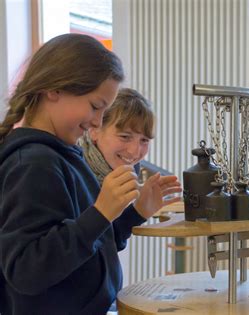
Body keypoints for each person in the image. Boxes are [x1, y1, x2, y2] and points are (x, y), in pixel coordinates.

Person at [0, 34, 181, 315]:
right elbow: (27, 271)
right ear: (54, 90)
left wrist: (136, 213)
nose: (97, 121)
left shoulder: (65, 157)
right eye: (96, 107)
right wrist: (100, 213)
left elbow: (92, 245)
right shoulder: (33, 164)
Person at [78, 87, 171, 185]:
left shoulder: (131, 174)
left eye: (144, 140)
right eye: (125, 137)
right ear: (94, 130)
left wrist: (144, 200)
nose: (134, 152)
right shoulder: (71, 176)